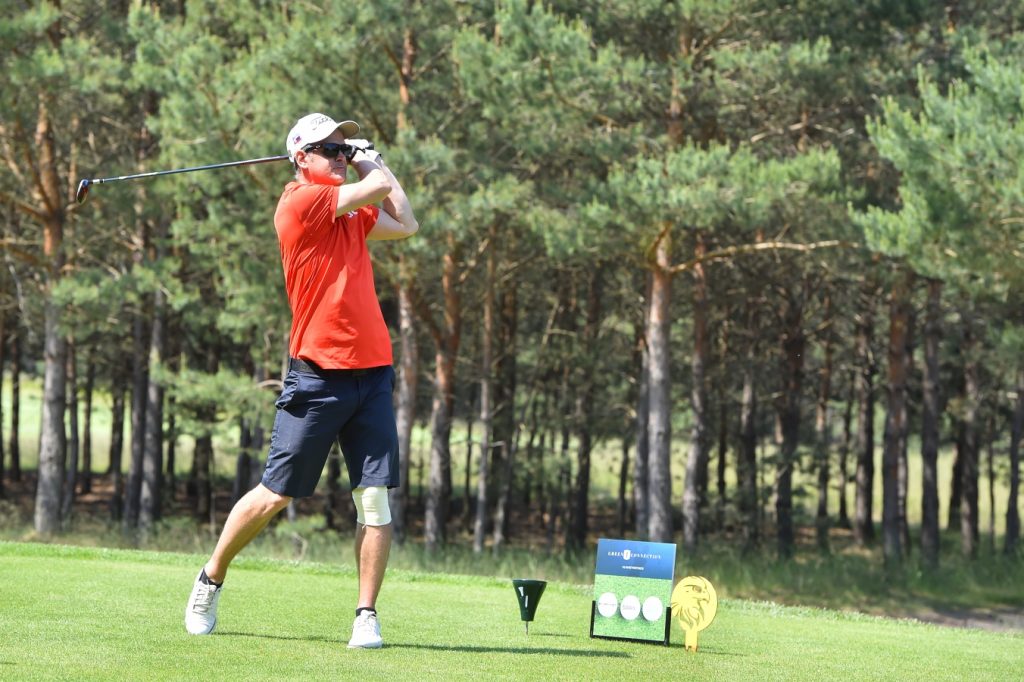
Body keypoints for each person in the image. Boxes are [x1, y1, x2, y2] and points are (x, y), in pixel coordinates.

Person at [184, 113, 418, 649]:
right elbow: (377, 188)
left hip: (372, 373)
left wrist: (369, 160)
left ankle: (365, 615)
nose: (339, 157)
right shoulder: (299, 201)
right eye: (328, 149)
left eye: (342, 148)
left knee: (374, 500)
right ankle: (210, 578)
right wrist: (370, 160)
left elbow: (405, 223)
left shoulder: (348, 212)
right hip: (317, 375)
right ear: (300, 158)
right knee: (275, 494)